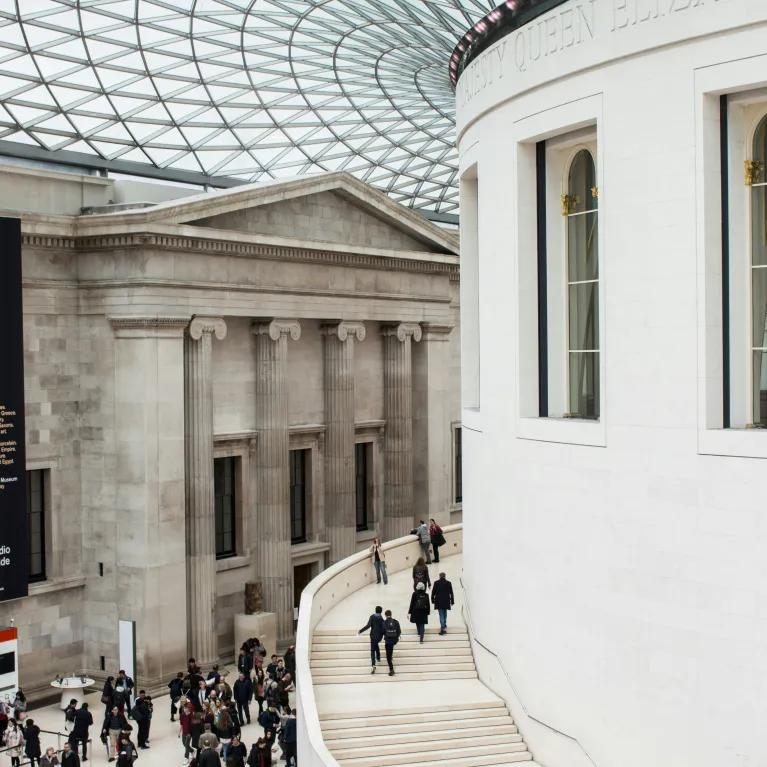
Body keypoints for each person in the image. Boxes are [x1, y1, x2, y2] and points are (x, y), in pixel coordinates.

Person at [358, 605, 385, 673]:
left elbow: (368, 626)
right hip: (379, 637)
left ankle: (373, 665)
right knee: (376, 645)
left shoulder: (372, 617)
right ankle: (378, 658)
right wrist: (383, 636)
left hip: (373, 636)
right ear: (381, 611)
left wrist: (360, 631)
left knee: (372, 650)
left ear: (375, 610)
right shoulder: (381, 619)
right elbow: (383, 629)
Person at [382, 609, 401, 676]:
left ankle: (391, 669)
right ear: (391, 614)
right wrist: (396, 639)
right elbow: (399, 632)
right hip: (393, 641)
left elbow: (383, 631)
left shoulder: (384, 622)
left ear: (385, 615)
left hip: (388, 641)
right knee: (390, 652)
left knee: (388, 656)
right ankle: (391, 658)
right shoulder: (396, 622)